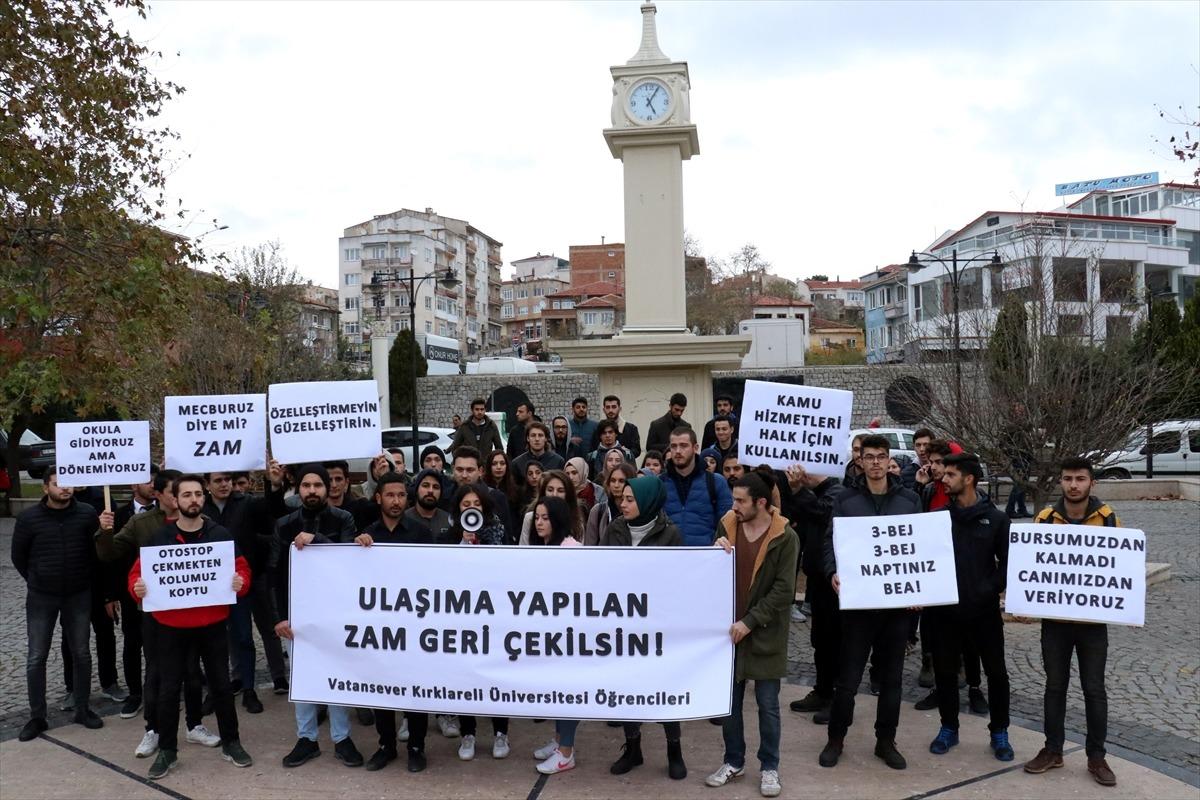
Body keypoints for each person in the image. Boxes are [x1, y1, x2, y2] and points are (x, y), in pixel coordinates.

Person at [127, 474, 253, 779]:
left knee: (221, 685)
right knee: (169, 689)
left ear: (204, 497)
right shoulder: (159, 538)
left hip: (212, 623)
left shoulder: (220, 534)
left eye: (198, 493)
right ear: (175, 499)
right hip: (170, 625)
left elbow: (242, 569)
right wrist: (138, 589)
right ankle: (168, 750)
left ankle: (232, 741)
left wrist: (241, 582)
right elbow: (136, 575)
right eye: (186, 495)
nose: (193, 499)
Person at [818, 433, 922, 771]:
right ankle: (836, 738)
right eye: (869, 456)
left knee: (892, 679)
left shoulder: (909, 499)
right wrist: (832, 571)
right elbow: (830, 540)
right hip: (859, 607)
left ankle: (885, 740)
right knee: (847, 679)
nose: (875, 462)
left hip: (895, 609)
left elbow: (919, 546)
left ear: (889, 459)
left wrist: (922, 589)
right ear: (859, 461)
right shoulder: (846, 500)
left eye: (881, 456)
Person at [96, 468, 213, 758]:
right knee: (157, 672)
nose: (179, 497)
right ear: (160, 494)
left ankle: (195, 724)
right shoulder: (140, 523)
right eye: (174, 491)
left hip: (192, 610)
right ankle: (153, 729)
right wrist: (104, 531)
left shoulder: (202, 522)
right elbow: (109, 553)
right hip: (155, 613)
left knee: (192, 670)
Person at [1023, 456, 1121, 788]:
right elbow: (1032, 566)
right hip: (1056, 622)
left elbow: (1119, 569)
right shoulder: (1045, 520)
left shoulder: (1108, 520)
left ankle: (1097, 756)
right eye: (1068, 479)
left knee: (1094, 689)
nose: (1074, 485)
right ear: (1060, 482)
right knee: (1054, 686)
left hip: (1093, 622)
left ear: (1091, 483)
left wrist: (1127, 607)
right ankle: (1053, 749)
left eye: (1080, 478)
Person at [706, 473, 798, 798]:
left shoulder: (785, 537)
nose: (734, 506)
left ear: (761, 502)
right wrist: (714, 551)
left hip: (765, 635)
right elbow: (711, 573)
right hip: (729, 634)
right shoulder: (728, 524)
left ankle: (769, 767)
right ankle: (733, 761)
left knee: (768, 705)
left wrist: (750, 620)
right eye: (733, 499)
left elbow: (784, 590)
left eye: (741, 500)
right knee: (729, 705)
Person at [271, 464, 363, 770]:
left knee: (337, 676)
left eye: (318, 485)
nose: (312, 491)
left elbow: (349, 562)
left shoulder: (343, 518)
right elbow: (274, 573)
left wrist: (318, 540)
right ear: (298, 489)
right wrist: (281, 617)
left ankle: (342, 738)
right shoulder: (284, 524)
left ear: (328, 489)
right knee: (303, 678)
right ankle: (306, 739)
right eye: (306, 485)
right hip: (297, 617)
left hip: (335, 614)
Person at [926, 454, 1014, 762]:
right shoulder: (936, 517)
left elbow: (1008, 565)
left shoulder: (998, 520)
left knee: (996, 673)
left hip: (983, 612)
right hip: (944, 613)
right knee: (946, 673)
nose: (944, 478)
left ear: (969, 479)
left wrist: (985, 589)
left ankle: (999, 732)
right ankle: (949, 727)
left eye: (950, 474)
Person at [600, 476, 687, 779]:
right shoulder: (615, 530)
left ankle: (674, 749)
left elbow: (677, 581)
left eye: (629, 499)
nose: (622, 504)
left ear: (648, 501)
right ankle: (633, 748)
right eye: (621, 498)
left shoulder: (670, 533)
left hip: (658, 625)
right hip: (623, 624)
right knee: (628, 687)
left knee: (663, 688)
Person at [13, 469, 104, 742]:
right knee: (37, 656)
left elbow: (95, 552)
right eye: (57, 484)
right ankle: (37, 716)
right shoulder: (29, 519)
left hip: (78, 593)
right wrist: (38, 578)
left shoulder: (87, 513)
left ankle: (82, 708)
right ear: (45, 488)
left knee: (81, 653)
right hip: (42, 595)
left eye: (68, 484)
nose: (64, 488)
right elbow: (19, 556)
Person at [353, 473, 432, 773]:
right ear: (378, 498)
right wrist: (356, 549)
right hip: (380, 626)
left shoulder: (421, 534)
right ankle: (386, 745)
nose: (396, 501)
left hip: (413, 624)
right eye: (390, 495)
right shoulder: (367, 536)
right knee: (381, 686)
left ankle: (416, 746)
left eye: (401, 495)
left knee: (415, 687)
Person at [202, 470, 284, 714]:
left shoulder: (247, 503)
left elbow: (272, 517)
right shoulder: (200, 506)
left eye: (227, 479)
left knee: (245, 636)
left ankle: (249, 690)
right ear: (207, 484)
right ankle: (217, 692)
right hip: (210, 586)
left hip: (245, 581)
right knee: (213, 641)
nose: (225, 484)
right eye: (218, 480)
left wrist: (274, 483)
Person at [445, 483, 511, 759]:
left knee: (497, 674)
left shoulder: (497, 532)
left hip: (493, 616)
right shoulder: (450, 535)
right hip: (461, 617)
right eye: (465, 504)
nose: (470, 508)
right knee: (466, 676)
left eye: (476, 504)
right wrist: (464, 543)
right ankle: (468, 734)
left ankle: (500, 733)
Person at [527, 496, 585, 775]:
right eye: (536, 517)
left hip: (569, 637)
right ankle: (560, 740)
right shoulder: (545, 547)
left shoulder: (572, 550)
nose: (539, 522)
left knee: (568, 691)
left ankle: (566, 752)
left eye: (545, 518)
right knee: (557, 692)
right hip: (551, 635)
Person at [785, 465, 844, 723]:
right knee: (820, 639)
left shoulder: (837, 491)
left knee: (834, 640)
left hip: (833, 580)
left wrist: (799, 489)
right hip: (817, 579)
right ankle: (822, 691)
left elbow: (821, 513)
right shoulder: (817, 492)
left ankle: (838, 699)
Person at [661, 427, 733, 547]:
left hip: (705, 557)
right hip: (668, 557)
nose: (678, 451)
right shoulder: (659, 483)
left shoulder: (716, 482)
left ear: (695, 448)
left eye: (683, 445)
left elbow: (728, 524)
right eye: (673, 446)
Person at [450, 447, 514, 543]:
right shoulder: (445, 496)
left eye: (470, 470)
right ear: (453, 469)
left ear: (480, 471)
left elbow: (507, 537)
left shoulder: (496, 497)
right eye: (459, 470)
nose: (464, 475)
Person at [519, 470, 583, 546]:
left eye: (560, 491)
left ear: (568, 494)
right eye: (550, 490)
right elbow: (523, 550)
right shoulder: (530, 518)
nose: (554, 494)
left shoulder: (577, 522)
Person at [584, 463, 636, 546]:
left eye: (621, 481)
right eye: (613, 480)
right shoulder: (598, 511)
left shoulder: (637, 510)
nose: (616, 485)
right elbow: (590, 546)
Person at [404, 469, 452, 544]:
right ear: (416, 490)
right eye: (425, 486)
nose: (430, 491)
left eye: (436, 487)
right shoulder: (403, 519)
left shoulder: (449, 521)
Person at [484, 450, 524, 518]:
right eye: (494, 464)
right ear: (489, 466)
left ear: (507, 466)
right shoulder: (482, 489)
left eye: (502, 463)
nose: (499, 467)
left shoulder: (516, 491)